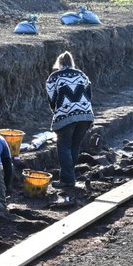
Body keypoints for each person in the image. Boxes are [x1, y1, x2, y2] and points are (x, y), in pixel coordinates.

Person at [45, 51, 95, 191]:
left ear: (59, 63)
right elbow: (89, 96)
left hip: (66, 114)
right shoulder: (82, 75)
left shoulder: (53, 77)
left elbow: (52, 100)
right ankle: (69, 177)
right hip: (86, 115)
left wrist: (58, 112)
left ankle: (67, 180)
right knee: (74, 145)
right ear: (72, 62)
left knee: (64, 146)